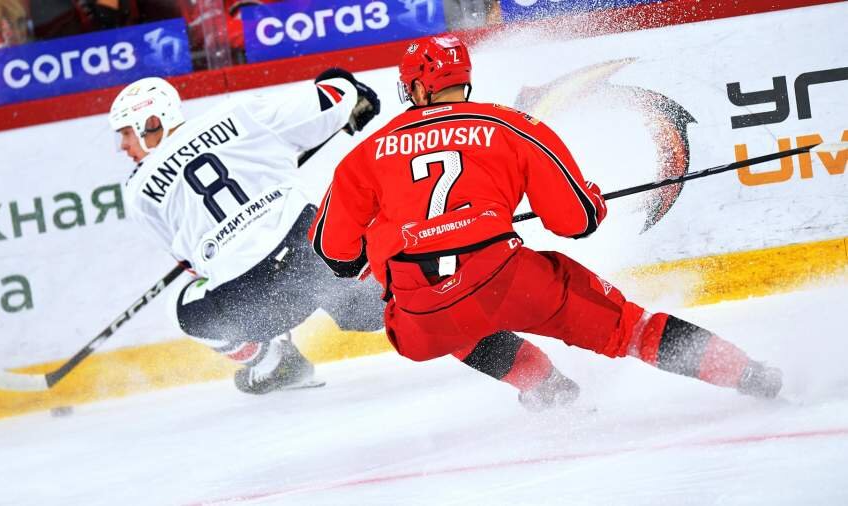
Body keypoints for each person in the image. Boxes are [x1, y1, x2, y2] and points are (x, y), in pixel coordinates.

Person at [309, 35, 782, 411]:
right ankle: (747, 373)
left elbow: (336, 253)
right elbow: (574, 221)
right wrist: (592, 203)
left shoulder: (364, 154)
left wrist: (385, 241)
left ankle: (546, 387)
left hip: (418, 319)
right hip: (508, 280)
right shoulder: (509, 126)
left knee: (451, 317)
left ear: (415, 87)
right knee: (629, 328)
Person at [108, 70, 385, 394]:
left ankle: (275, 364)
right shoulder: (239, 113)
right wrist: (346, 89)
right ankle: (424, 304)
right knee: (373, 309)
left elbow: (192, 265)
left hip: (253, 305)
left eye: (126, 133)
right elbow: (333, 98)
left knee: (179, 307)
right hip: (313, 259)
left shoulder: (139, 192)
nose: (123, 146)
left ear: (152, 121)